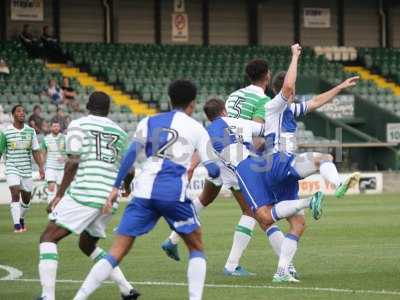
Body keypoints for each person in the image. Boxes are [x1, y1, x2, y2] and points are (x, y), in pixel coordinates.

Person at [73, 80, 220, 300]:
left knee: (116, 252)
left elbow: (130, 155)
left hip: (143, 191)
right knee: (196, 245)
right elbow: (213, 170)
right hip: (172, 192)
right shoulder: (197, 128)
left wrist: (115, 187)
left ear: (169, 100)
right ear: (192, 103)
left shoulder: (149, 121)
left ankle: (79, 297)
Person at [236, 44, 360, 283]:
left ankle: (281, 271)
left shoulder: (290, 109)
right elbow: (290, 86)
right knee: (324, 158)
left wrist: (340, 87)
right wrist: (295, 56)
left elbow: (315, 103)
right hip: (279, 161)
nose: (294, 93)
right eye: (291, 90)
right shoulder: (275, 105)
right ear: (284, 91)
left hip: (280, 168)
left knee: (299, 223)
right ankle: (338, 184)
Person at [37, 92, 139, 300]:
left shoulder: (78, 124)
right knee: (87, 245)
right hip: (109, 198)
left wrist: (59, 195)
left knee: (48, 237)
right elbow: (130, 170)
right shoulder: (119, 131)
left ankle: (47, 297)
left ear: (88, 106)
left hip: (86, 192)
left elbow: (73, 162)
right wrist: (126, 189)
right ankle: (126, 289)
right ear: (109, 109)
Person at [161, 98, 264, 277]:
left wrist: (192, 168)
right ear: (224, 111)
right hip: (230, 168)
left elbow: (199, 151)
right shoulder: (230, 124)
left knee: (202, 200)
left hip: (216, 168)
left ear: (208, 117)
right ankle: (232, 265)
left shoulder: (207, 131)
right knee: (249, 212)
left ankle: (172, 240)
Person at [0, 105, 45, 232]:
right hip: (12, 167)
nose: (22, 113)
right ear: (13, 115)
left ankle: (20, 217)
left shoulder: (30, 131)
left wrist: (41, 167)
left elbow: (36, 151)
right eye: (18, 111)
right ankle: (17, 226)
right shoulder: (6, 132)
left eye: (23, 111)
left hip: (26, 169)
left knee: (26, 200)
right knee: (15, 193)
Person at [41, 121, 66, 204]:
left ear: (59, 128)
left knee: (60, 190)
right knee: (51, 187)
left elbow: (70, 153)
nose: (56, 128)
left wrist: (64, 158)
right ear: (51, 127)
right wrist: (41, 168)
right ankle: (51, 208)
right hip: (50, 167)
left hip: (62, 168)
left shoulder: (65, 138)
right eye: (54, 126)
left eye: (57, 126)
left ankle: (59, 208)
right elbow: (43, 155)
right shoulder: (45, 139)